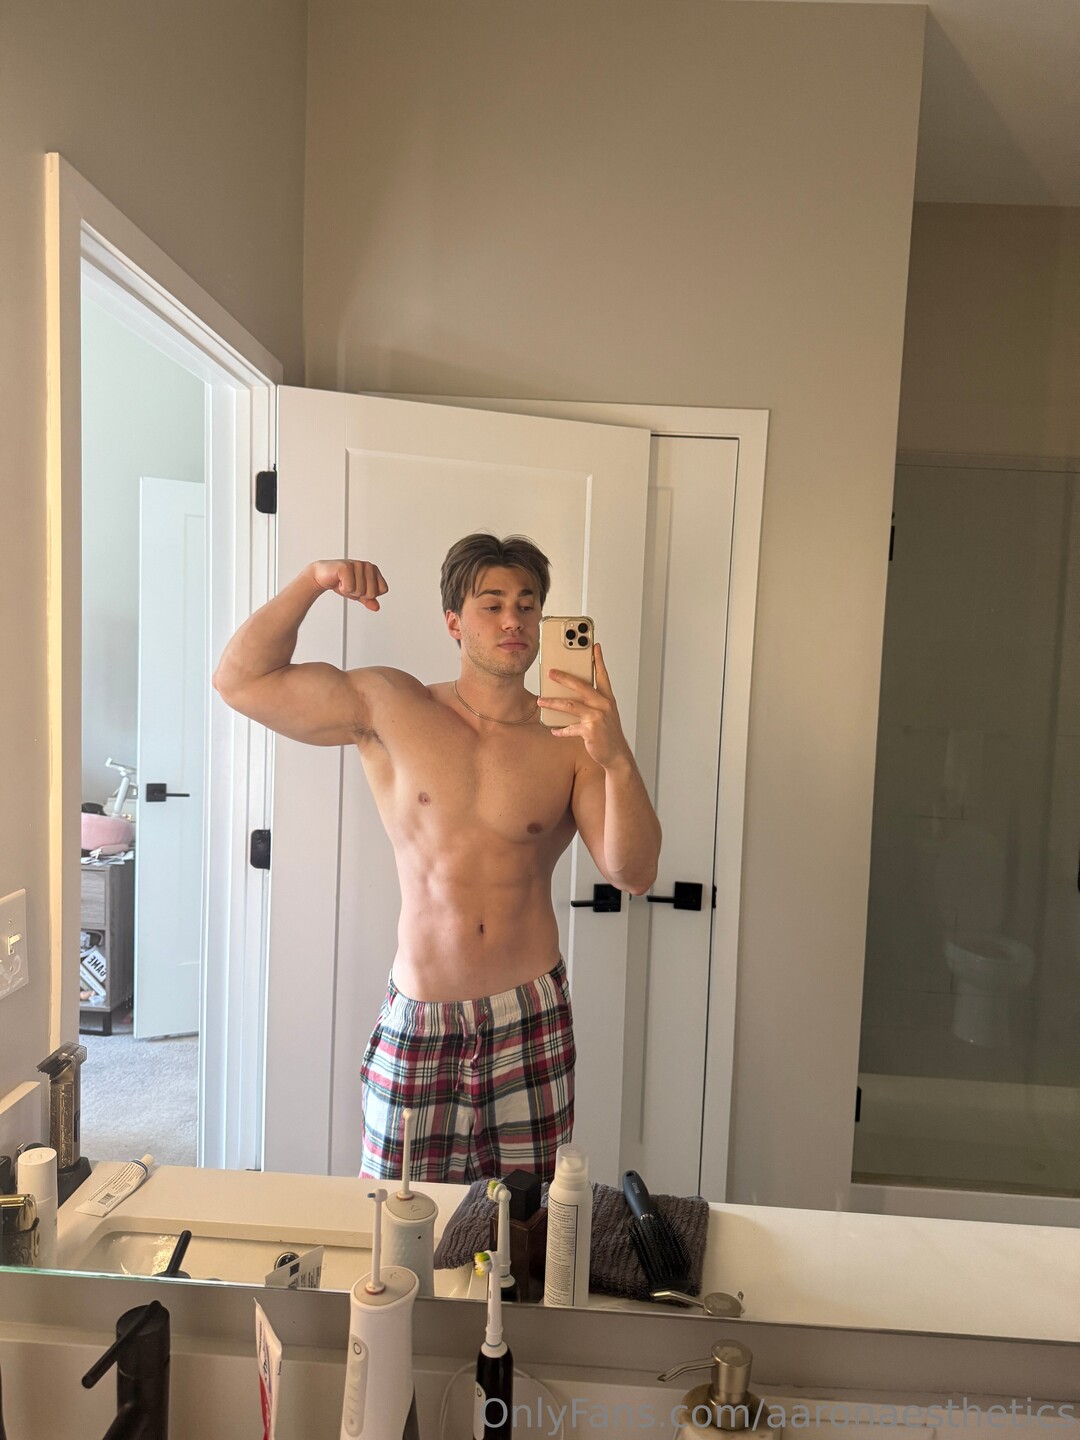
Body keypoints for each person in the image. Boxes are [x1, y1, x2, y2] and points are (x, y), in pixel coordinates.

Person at [212, 532, 661, 1182]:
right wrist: (312, 580)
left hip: (528, 1014)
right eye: (492, 604)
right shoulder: (392, 705)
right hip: (420, 1014)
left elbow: (633, 871)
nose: (513, 620)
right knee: (394, 1220)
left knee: (528, 1222)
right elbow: (240, 682)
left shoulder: (570, 740)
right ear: (454, 621)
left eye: (527, 605)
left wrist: (616, 757)